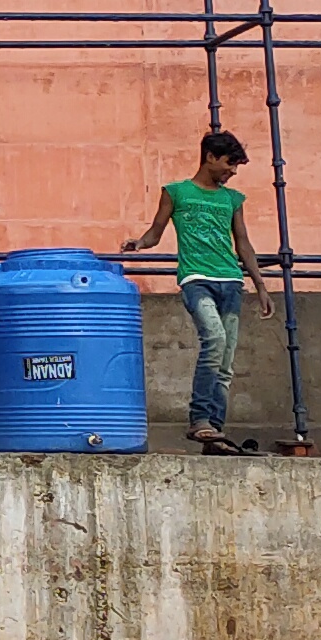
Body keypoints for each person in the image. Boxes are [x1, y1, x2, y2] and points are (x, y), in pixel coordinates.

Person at [121, 128, 272, 453]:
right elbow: (156, 232)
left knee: (225, 362)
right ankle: (200, 419)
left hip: (231, 282)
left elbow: (243, 244)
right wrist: (138, 244)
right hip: (196, 280)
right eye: (230, 164)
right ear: (210, 157)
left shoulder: (233, 200)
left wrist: (260, 285)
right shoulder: (176, 193)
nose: (233, 172)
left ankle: (213, 432)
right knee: (214, 340)